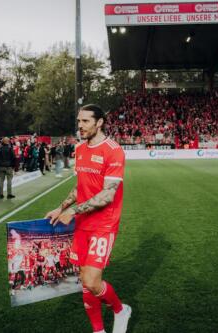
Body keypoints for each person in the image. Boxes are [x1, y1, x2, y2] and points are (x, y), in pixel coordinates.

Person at [45, 104, 131, 333]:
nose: (80, 126)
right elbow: (80, 186)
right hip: (83, 223)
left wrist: (72, 211)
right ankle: (98, 330)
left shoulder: (113, 150)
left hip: (104, 223)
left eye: (85, 121)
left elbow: (108, 194)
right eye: (79, 121)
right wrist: (61, 206)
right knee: (84, 281)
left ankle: (121, 310)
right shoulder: (80, 149)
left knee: (93, 281)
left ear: (99, 122)